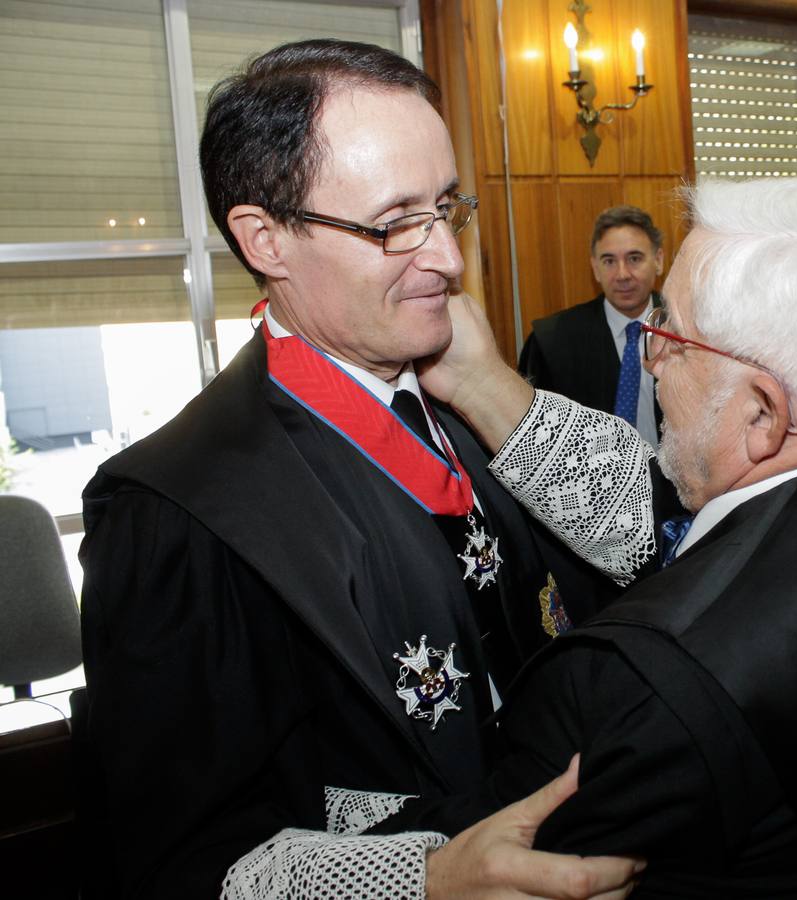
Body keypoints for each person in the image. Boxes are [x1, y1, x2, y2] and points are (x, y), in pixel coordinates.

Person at [76, 40, 641, 899]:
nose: (447, 260)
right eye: (394, 223)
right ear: (265, 238)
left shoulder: (470, 393)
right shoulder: (179, 508)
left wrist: (493, 388)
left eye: (447, 209)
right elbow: (185, 863)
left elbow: (647, 541)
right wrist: (425, 880)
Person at [414, 174, 797, 896]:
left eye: (670, 336)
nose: (651, 360)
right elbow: (679, 528)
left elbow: (488, 865)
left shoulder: (639, 692)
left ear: (763, 414)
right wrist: (485, 383)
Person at [519, 206, 665, 448]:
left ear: (658, 261)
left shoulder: (688, 332)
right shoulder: (553, 341)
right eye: (609, 261)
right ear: (595, 268)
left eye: (634, 258)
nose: (622, 274)